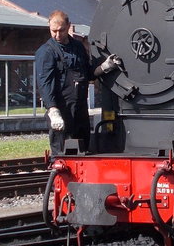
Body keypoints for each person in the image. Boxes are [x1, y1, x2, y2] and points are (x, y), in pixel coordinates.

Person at [35, 10, 121, 155]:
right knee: (62, 149)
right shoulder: (46, 52)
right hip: (62, 108)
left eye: (61, 30)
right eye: (53, 31)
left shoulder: (78, 47)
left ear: (69, 26)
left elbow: (87, 74)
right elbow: (45, 82)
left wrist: (105, 67)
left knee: (83, 146)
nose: (57, 35)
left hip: (80, 107)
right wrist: (52, 110)